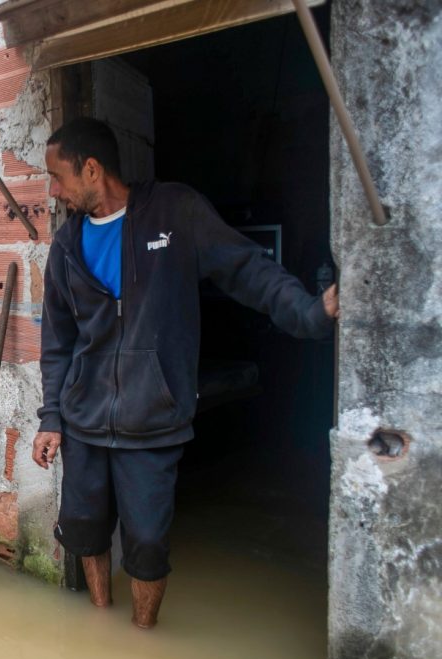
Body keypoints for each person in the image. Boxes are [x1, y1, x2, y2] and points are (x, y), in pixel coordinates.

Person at [31, 117, 339, 629]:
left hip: (153, 417)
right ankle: (102, 623)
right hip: (83, 419)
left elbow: (249, 270)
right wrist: (51, 417)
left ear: (91, 170)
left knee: (147, 544)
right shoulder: (65, 246)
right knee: (84, 529)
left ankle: (142, 637)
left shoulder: (175, 212)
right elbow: (58, 343)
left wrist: (310, 313)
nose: (52, 191)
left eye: (58, 177)